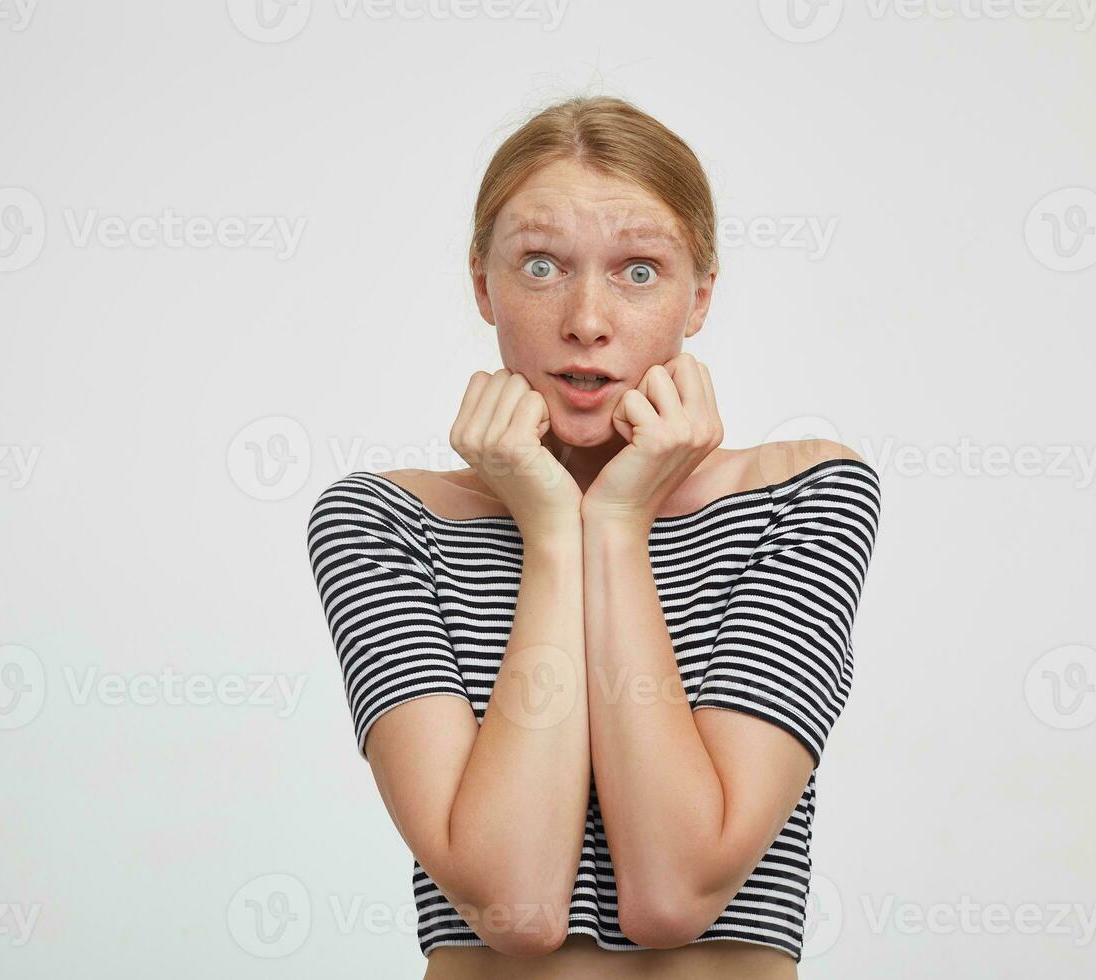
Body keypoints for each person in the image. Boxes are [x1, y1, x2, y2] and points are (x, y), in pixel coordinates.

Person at [306, 95, 882, 979]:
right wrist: (548, 529)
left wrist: (613, 524)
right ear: (481, 284)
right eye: (540, 265)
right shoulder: (385, 524)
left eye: (639, 271)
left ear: (701, 296)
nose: (586, 318)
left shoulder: (803, 496)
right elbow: (518, 906)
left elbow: (675, 892)